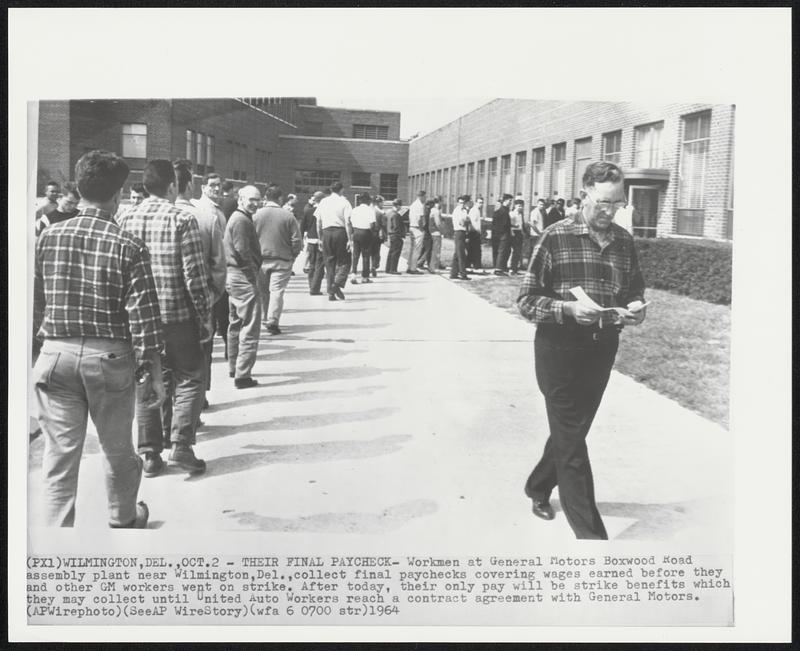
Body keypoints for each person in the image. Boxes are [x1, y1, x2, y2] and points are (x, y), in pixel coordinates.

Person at [32, 149, 164, 528]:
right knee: (117, 448)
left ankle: (57, 536)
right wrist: (153, 374)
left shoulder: (47, 237)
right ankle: (122, 518)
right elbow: (144, 321)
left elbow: (36, 301)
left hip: (55, 354)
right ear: (118, 195)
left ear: (78, 188)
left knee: (59, 455)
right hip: (109, 359)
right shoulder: (129, 246)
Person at [517, 161, 646, 540]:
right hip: (558, 349)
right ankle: (591, 537)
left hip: (602, 348)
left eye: (617, 203)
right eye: (605, 202)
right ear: (586, 191)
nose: (610, 211)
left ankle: (538, 486)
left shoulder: (624, 241)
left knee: (571, 432)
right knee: (572, 442)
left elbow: (634, 288)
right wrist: (568, 309)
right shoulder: (556, 237)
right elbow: (526, 300)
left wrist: (635, 309)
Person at [117, 160, 212, 477]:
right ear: (173, 185)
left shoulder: (124, 216)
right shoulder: (182, 219)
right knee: (191, 376)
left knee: (146, 378)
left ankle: (149, 454)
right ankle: (181, 445)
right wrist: (205, 316)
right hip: (177, 316)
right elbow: (195, 277)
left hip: (138, 318)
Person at [174, 162, 226, 405]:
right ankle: (197, 400)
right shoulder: (206, 217)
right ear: (191, 185)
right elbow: (218, 265)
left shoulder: (134, 216)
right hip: (198, 299)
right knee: (199, 353)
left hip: (158, 305)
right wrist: (212, 296)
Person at [225, 185, 263, 387]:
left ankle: (234, 367)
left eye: (258, 199)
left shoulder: (238, 217)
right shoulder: (241, 220)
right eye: (251, 199)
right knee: (250, 326)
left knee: (236, 324)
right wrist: (252, 277)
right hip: (243, 277)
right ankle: (243, 374)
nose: (255, 203)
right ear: (240, 199)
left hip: (233, 276)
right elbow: (242, 250)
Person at [253, 184, 302, 335]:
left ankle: (263, 317)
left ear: (266, 198)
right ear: (280, 198)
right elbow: (296, 240)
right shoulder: (288, 216)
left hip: (260, 260)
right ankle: (273, 320)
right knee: (277, 291)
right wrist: (293, 255)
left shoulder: (255, 215)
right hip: (282, 259)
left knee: (262, 291)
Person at [193, 173, 230, 360]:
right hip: (212, 271)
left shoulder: (217, 209)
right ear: (203, 188)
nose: (217, 188)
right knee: (219, 316)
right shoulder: (205, 210)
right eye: (212, 185)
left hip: (217, 268)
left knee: (222, 316)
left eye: (218, 185)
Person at [315, 181, 353, 301]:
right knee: (345, 262)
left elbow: (318, 221)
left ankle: (331, 290)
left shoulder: (323, 202)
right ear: (341, 190)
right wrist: (350, 239)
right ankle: (335, 286)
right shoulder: (344, 202)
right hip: (340, 232)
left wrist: (320, 238)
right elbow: (348, 222)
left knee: (329, 262)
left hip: (326, 232)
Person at [301, 191, 326, 295]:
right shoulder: (325, 210)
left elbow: (302, 226)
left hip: (311, 239)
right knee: (319, 265)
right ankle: (315, 288)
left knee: (312, 264)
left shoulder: (308, 211)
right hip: (321, 239)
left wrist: (302, 238)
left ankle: (311, 284)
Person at [349, 192, 376, 284]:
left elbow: (351, 222)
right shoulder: (370, 210)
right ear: (368, 200)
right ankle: (365, 277)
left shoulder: (355, 210)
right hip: (366, 232)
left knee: (355, 255)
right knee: (366, 255)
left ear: (360, 200)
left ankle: (353, 274)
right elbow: (372, 224)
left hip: (356, 231)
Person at [449, 195, 471, 281]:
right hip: (458, 232)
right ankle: (463, 274)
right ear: (458, 203)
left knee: (457, 254)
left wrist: (467, 221)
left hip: (463, 232)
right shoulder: (457, 211)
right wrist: (467, 221)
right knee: (461, 254)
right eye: (460, 202)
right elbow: (462, 223)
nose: (462, 204)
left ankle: (453, 273)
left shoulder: (464, 211)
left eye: (463, 202)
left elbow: (467, 221)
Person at [491, 194, 514, 275]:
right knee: (502, 251)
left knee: (505, 251)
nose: (511, 202)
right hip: (503, 234)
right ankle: (498, 269)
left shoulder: (502, 210)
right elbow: (503, 224)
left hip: (500, 234)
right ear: (505, 200)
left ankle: (501, 267)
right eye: (510, 200)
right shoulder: (503, 211)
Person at [406, 190, 426, 274]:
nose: (425, 198)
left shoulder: (413, 205)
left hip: (412, 227)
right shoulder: (420, 206)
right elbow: (420, 219)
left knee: (412, 249)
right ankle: (413, 268)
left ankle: (410, 266)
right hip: (417, 228)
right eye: (425, 196)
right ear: (421, 196)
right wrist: (422, 229)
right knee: (416, 250)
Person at [384, 198, 404, 275]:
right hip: (396, 235)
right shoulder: (396, 215)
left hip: (391, 234)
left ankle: (388, 268)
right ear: (398, 206)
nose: (401, 208)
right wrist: (400, 235)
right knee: (396, 253)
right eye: (400, 206)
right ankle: (393, 269)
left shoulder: (389, 213)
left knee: (391, 252)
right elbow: (396, 226)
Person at [467, 196, 485, 273]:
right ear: (476, 202)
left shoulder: (477, 210)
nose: (481, 204)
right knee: (476, 250)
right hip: (474, 233)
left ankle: (473, 265)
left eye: (482, 203)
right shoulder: (474, 210)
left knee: (473, 250)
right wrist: (477, 231)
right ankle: (477, 266)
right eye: (479, 202)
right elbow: (473, 222)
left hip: (475, 233)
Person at [369, 195, 386, 277]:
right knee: (376, 252)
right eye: (382, 202)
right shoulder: (380, 212)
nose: (383, 204)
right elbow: (383, 224)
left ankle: (369, 266)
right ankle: (374, 266)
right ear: (378, 203)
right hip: (376, 233)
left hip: (368, 233)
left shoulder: (369, 210)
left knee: (368, 251)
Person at [508, 199, 525, 274]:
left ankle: (515, 268)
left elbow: (521, 225)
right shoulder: (512, 214)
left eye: (521, 206)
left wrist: (522, 232)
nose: (520, 208)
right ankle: (511, 268)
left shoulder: (520, 214)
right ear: (515, 206)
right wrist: (512, 232)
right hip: (514, 232)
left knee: (518, 251)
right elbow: (509, 225)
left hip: (519, 233)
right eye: (519, 206)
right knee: (515, 251)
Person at [428, 196, 444, 273]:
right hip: (436, 232)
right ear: (439, 202)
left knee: (434, 250)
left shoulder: (432, 210)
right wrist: (442, 231)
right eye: (442, 202)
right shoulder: (436, 211)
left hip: (432, 232)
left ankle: (432, 266)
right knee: (436, 251)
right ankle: (433, 268)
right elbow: (438, 223)